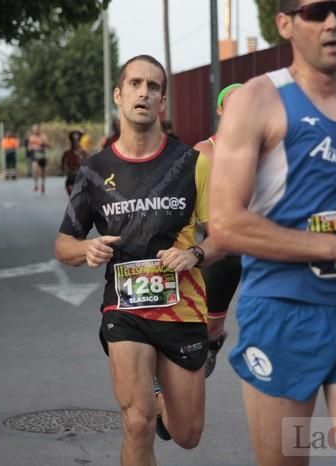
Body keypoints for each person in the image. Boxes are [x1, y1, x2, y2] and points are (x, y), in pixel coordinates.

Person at [209, 1, 336, 464]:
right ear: (284, 24)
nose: (332, 23)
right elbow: (224, 223)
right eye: (316, 12)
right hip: (284, 313)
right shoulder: (256, 101)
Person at [54, 55, 220, 466]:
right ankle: (149, 403)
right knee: (136, 422)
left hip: (182, 310)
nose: (143, 92)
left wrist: (195, 253)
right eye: (135, 84)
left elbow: (225, 237)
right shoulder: (94, 171)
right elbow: (63, 244)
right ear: (119, 94)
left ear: (162, 100)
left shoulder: (192, 164)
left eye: (153, 86)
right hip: (124, 308)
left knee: (188, 434)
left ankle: (163, 398)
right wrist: (85, 249)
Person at [193, 82, 243, 377]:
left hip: (260, 243)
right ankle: (213, 339)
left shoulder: (266, 149)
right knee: (211, 322)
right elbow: (201, 213)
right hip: (221, 245)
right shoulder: (205, 151)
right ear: (220, 109)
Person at [60, 130, 86, 195]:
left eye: (77, 140)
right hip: (71, 176)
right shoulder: (67, 153)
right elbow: (63, 164)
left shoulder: (83, 153)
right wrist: (63, 171)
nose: (75, 142)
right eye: (73, 140)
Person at [28, 124, 48, 194]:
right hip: (34, 155)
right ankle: (36, 184)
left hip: (42, 154)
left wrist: (43, 144)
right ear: (32, 130)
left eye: (36, 129)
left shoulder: (43, 136)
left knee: (43, 171)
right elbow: (29, 147)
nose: (35, 130)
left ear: (38, 129)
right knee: (35, 169)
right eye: (34, 129)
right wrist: (31, 147)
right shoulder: (31, 137)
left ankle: (42, 184)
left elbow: (46, 144)